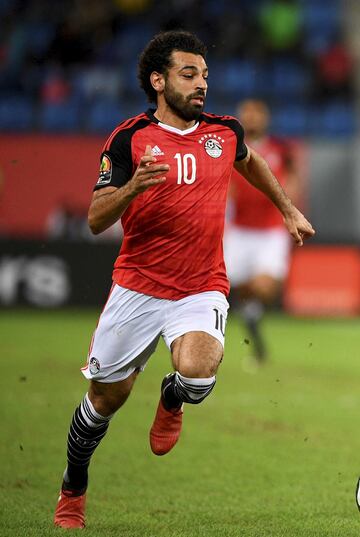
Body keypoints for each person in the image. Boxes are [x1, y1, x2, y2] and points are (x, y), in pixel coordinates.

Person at [54, 31, 315, 529]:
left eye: (205, 76)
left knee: (198, 374)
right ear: (158, 80)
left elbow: (251, 160)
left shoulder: (224, 131)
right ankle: (73, 487)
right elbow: (93, 219)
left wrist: (287, 207)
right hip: (138, 286)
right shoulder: (129, 138)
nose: (201, 85)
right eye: (189, 75)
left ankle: (172, 396)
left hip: (201, 285)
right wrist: (133, 186)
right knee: (105, 401)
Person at [224, 99, 301, 365]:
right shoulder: (229, 151)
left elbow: (292, 176)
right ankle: (254, 327)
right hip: (239, 232)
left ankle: (252, 313)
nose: (252, 119)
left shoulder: (280, 149)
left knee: (265, 287)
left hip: (270, 232)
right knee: (241, 287)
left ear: (265, 118)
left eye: (257, 114)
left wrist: (288, 206)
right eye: (247, 114)